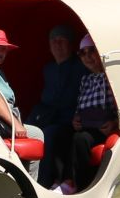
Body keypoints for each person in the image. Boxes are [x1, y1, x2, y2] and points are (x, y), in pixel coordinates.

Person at [27, 24, 82, 188]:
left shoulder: (80, 67)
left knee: (49, 134)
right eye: (54, 41)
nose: (57, 44)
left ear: (70, 44)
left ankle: (43, 183)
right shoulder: (48, 69)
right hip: (47, 116)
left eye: (62, 40)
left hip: (68, 120)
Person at [66, 33, 120, 193]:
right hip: (88, 124)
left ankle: (85, 189)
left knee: (80, 139)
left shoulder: (113, 77)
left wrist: (115, 122)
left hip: (107, 127)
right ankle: (64, 181)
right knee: (59, 133)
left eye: (91, 51)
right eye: (82, 53)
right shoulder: (86, 80)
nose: (87, 56)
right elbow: (80, 106)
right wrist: (76, 119)